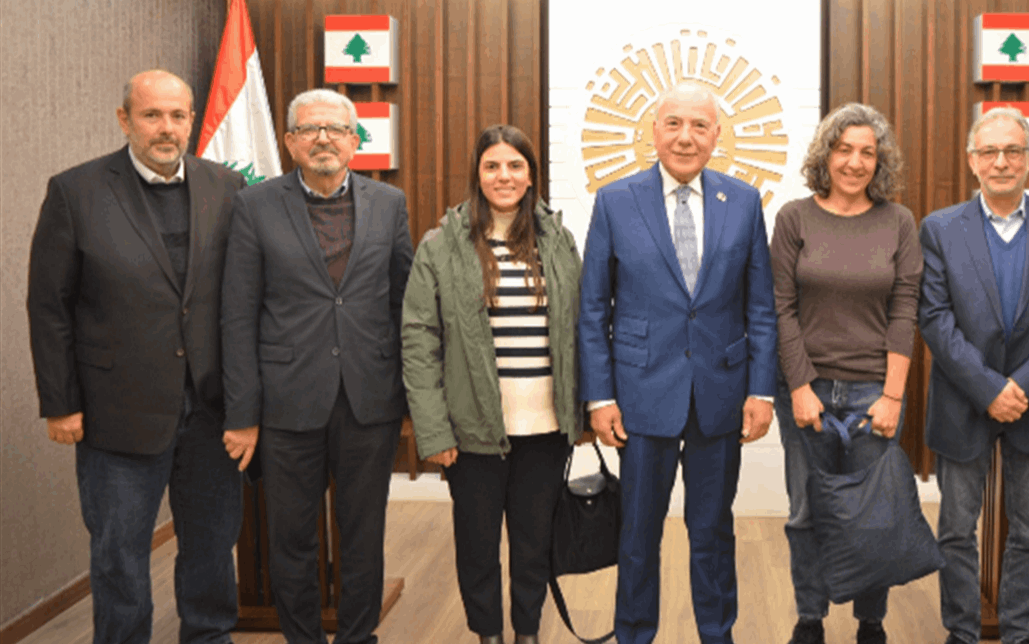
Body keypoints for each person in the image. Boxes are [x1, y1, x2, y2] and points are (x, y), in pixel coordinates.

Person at [26, 69, 247, 644]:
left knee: (212, 546)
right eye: (152, 115)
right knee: (119, 555)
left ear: (191, 120)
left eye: (177, 115)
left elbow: (241, 296)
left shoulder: (228, 187)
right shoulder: (75, 192)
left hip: (211, 411)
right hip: (116, 411)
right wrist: (60, 403)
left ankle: (209, 636)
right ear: (125, 120)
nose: (165, 128)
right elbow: (49, 306)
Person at [577, 80, 778, 644]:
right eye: (674, 124)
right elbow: (592, 309)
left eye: (699, 126)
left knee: (712, 531)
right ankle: (634, 633)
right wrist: (599, 397)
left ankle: (717, 633)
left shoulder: (743, 202)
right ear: (654, 131)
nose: (685, 137)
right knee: (638, 533)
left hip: (722, 394)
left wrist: (761, 390)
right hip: (641, 394)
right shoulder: (615, 201)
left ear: (716, 135)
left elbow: (760, 308)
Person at [220, 88, 413, 644]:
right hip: (286, 402)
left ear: (355, 141)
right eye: (309, 129)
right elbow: (238, 314)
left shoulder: (389, 203)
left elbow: (404, 305)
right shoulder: (254, 205)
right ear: (289, 141)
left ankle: (358, 636)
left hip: (368, 399)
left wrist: (409, 399)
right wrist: (242, 413)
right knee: (291, 541)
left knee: (363, 537)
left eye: (335, 129)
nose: (323, 138)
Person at [401, 124, 587, 644]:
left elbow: (582, 329)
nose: (504, 176)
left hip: (546, 429)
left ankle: (527, 633)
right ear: (477, 175)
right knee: (477, 549)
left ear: (531, 175)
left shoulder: (558, 241)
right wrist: (434, 431)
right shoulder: (441, 245)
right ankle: (488, 635)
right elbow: (418, 340)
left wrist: (584, 410)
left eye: (515, 166)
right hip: (471, 433)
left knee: (534, 546)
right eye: (492, 166)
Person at [917, 107, 1029, 644]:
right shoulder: (940, 228)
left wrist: (1024, 386)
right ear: (972, 160)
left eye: (1012, 151)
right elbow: (934, 318)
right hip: (963, 399)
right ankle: (962, 632)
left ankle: (1020, 633)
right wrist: (989, 388)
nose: (1001, 162)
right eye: (989, 151)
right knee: (955, 530)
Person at [768, 102, 920, 644]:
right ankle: (810, 619)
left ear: (880, 161)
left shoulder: (898, 222)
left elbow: (905, 309)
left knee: (872, 515)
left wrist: (892, 396)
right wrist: (799, 387)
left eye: (867, 152)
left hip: (873, 393)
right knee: (805, 512)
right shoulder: (794, 218)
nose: (855, 162)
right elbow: (781, 309)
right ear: (825, 155)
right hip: (805, 391)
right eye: (844, 149)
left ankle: (870, 623)